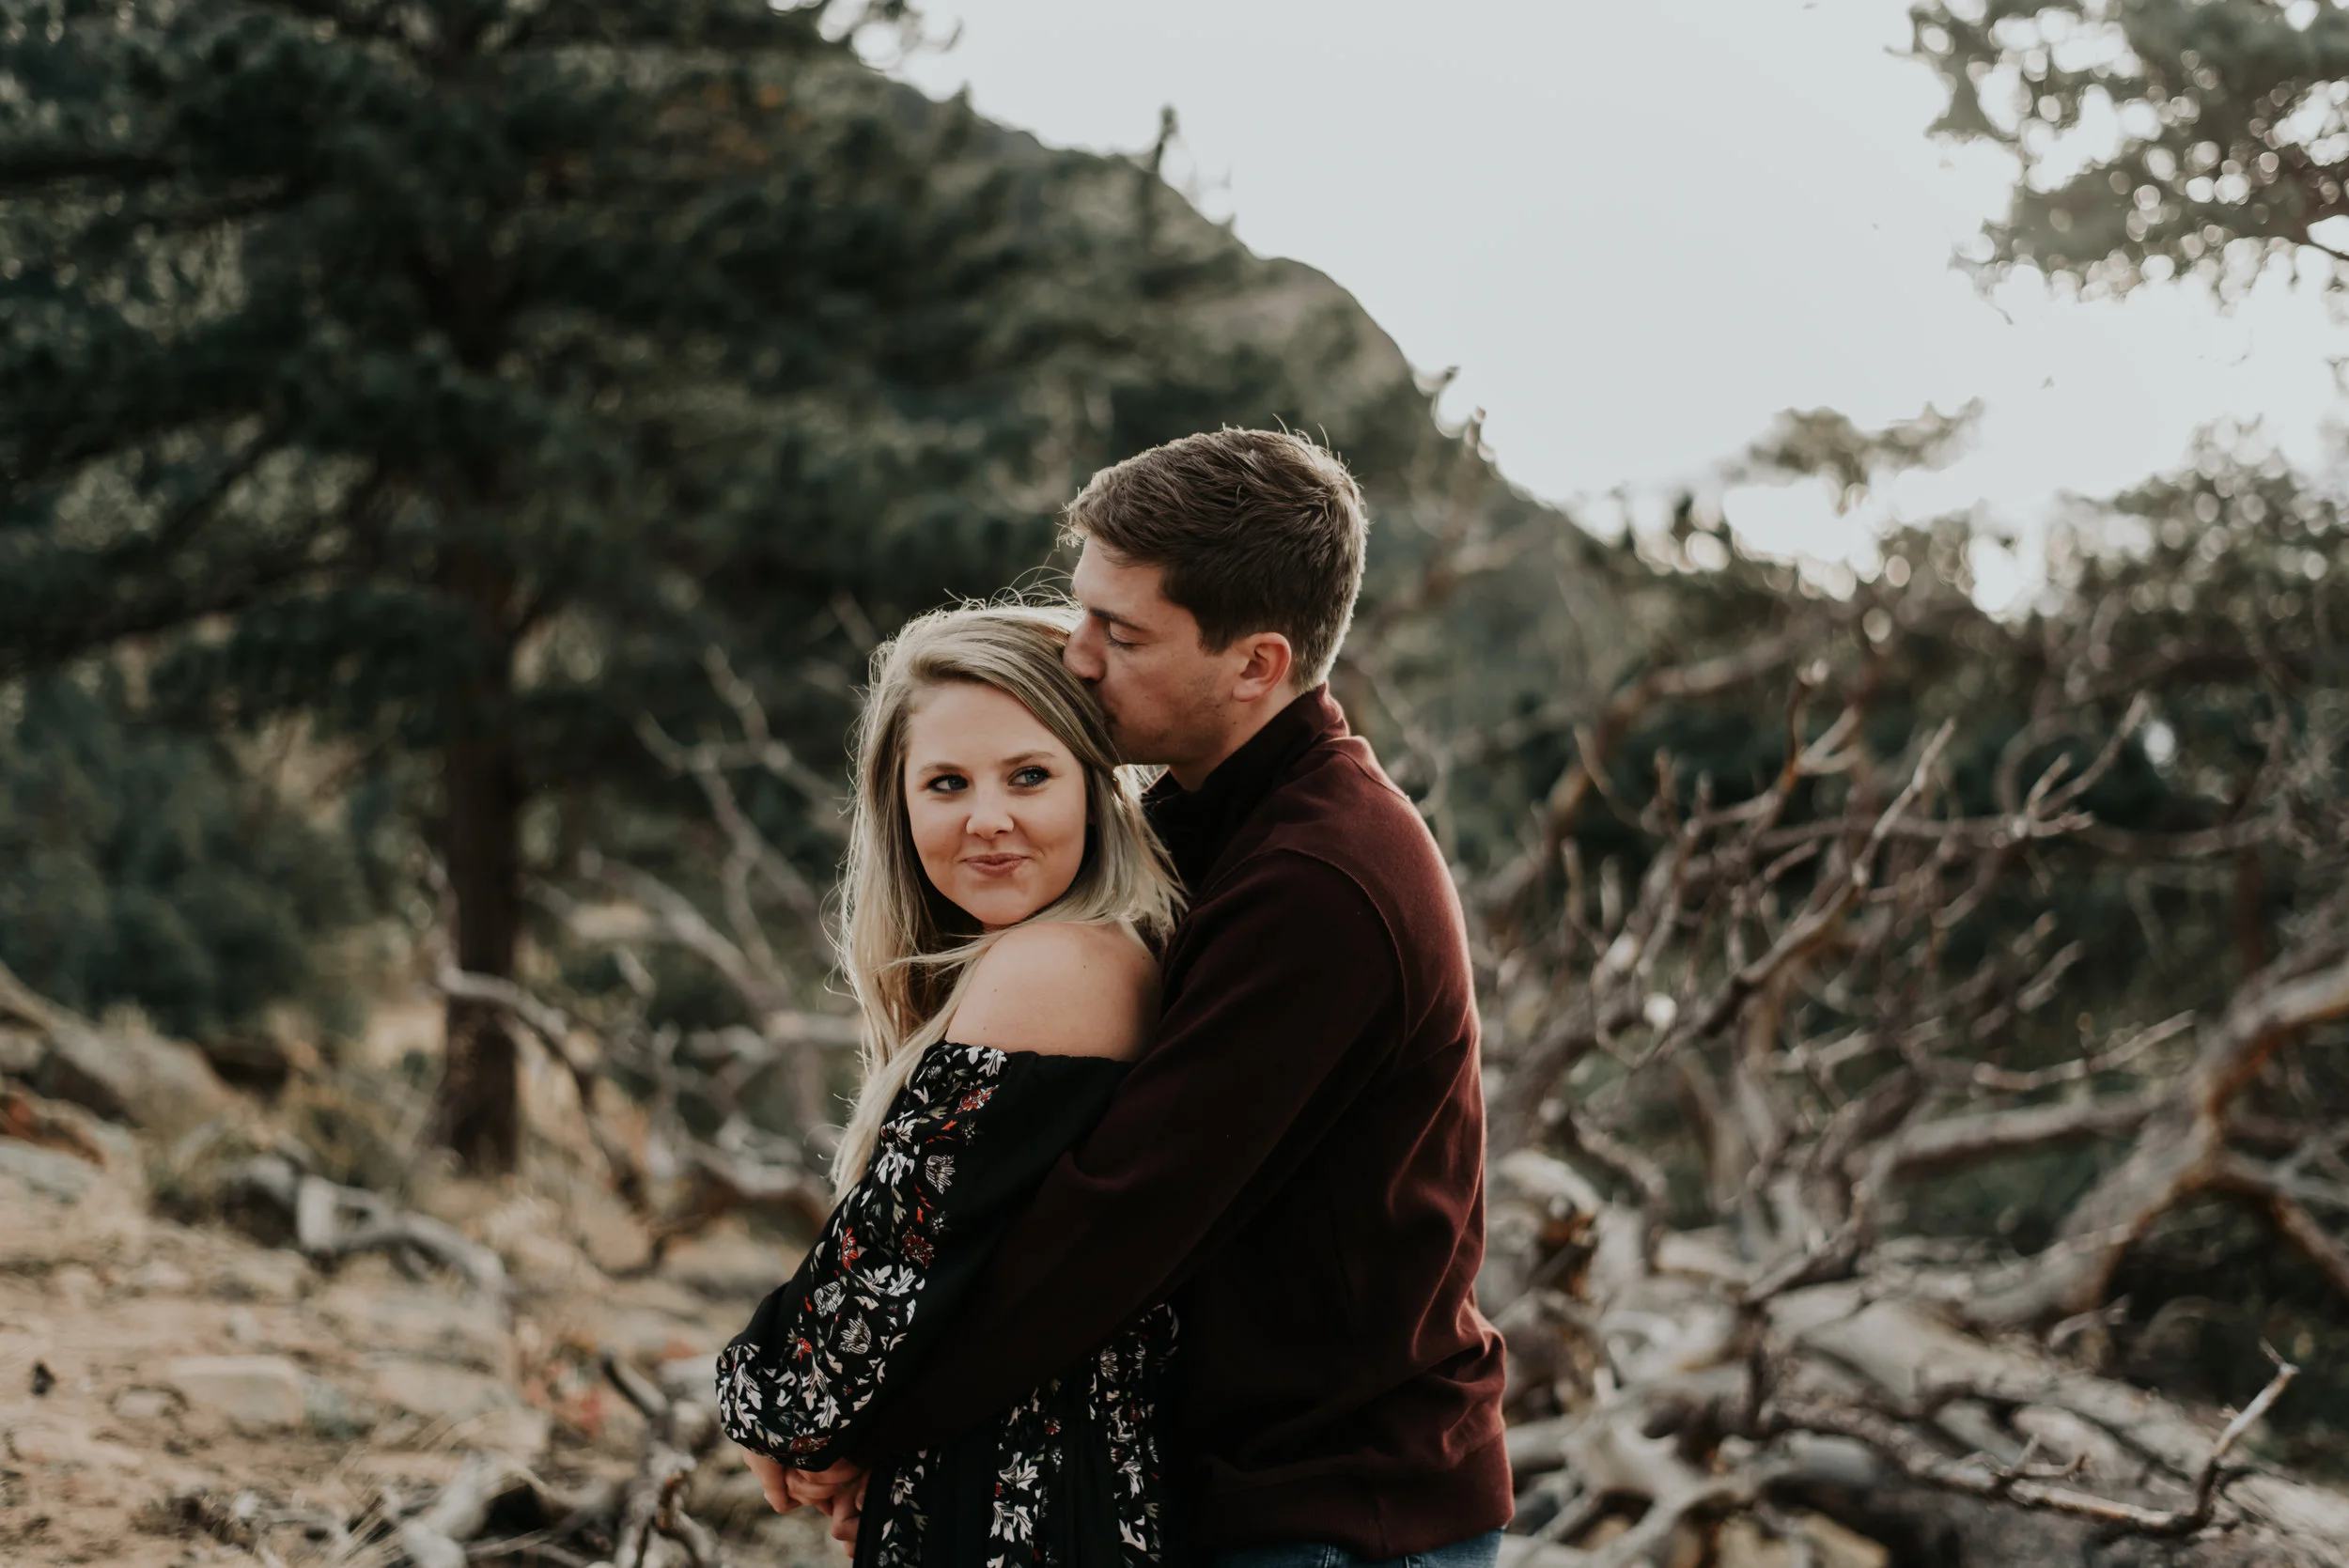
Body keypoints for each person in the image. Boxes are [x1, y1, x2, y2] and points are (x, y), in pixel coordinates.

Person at [815, 429, 1514, 1566]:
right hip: (1235, 1491)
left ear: (1257, 664)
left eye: (1120, 633)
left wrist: (872, 1422)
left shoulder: (1319, 884)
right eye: (1080, 612)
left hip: (1338, 1514)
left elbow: (1114, 1221)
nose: (1078, 657)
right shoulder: (1197, 825)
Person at [715, 604, 1190, 1564]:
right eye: (945, 782)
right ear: (898, 806)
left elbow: (884, 1273)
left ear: (1097, 791)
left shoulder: (1062, 965)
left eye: (1029, 775)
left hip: (1040, 1501)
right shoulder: (1062, 956)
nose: (987, 818)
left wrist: (784, 1413)